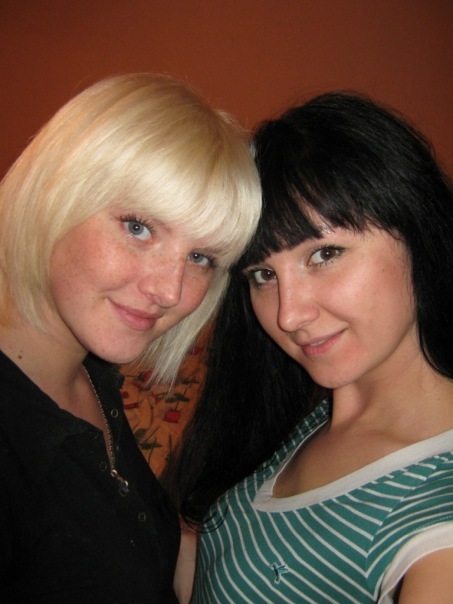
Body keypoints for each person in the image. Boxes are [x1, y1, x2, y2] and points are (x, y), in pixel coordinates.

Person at [165, 92, 453, 603]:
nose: (288, 315)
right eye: (263, 274)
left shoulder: (434, 509)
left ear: (418, 230)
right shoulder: (308, 411)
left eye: (325, 253)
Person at [0, 73, 261, 602]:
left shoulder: (92, 373)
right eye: (139, 227)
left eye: (200, 257)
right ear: (54, 193)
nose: (170, 291)